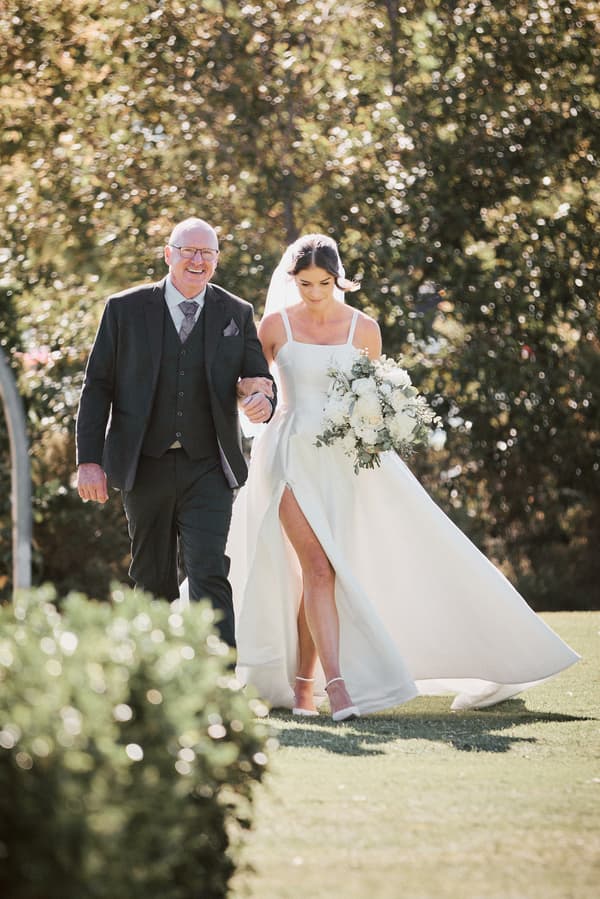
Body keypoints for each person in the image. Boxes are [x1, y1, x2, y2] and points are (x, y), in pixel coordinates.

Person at [227, 233, 579, 720]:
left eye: (324, 283)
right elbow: (254, 385)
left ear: (339, 280)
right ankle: (339, 688)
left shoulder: (364, 329)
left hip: (342, 464)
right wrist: (253, 397)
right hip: (287, 457)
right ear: (292, 280)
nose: (313, 292)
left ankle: (304, 690)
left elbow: (368, 397)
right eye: (304, 283)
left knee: (318, 576)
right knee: (318, 568)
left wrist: (380, 424)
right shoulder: (274, 325)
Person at [76, 216, 276, 647]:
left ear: (217, 261)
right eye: (189, 251)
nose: (198, 260)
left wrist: (263, 400)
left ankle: (220, 686)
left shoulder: (235, 313)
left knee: (209, 572)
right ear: (169, 254)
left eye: (208, 253)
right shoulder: (123, 309)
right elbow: (97, 388)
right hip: (143, 464)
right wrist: (89, 461)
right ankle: (153, 685)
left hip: (208, 466)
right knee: (151, 576)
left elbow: (258, 376)